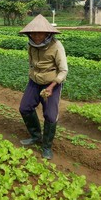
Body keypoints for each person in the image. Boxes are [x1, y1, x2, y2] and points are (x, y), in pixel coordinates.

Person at [18, 14, 68, 159]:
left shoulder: (56, 46)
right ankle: (35, 136)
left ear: (47, 33)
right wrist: (33, 75)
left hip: (52, 83)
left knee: (50, 116)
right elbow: (31, 62)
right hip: (34, 81)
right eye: (33, 33)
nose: (36, 36)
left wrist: (52, 86)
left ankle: (46, 146)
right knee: (25, 108)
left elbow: (63, 69)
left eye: (39, 33)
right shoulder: (31, 45)